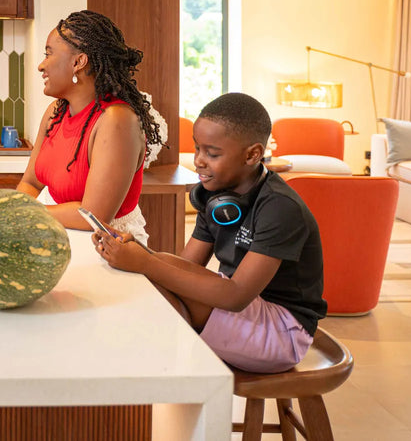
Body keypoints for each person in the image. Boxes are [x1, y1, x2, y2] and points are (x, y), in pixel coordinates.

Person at [93, 93, 327, 373]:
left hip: (284, 331)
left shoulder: (279, 207)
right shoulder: (213, 196)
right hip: (246, 309)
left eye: (212, 153)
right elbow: (187, 267)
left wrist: (144, 262)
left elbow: (235, 297)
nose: (199, 161)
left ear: (252, 154)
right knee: (155, 274)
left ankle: (162, 382)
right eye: (197, 149)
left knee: (151, 280)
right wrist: (140, 255)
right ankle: (159, 379)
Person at [16, 10, 166, 244]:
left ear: (78, 62)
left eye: (49, 53)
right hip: (52, 232)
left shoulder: (117, 120)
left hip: (106, 246)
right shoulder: (56, 111)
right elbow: (31, 182)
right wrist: (18, 215)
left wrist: (21, 212)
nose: (41, 65)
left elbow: (93, 217)